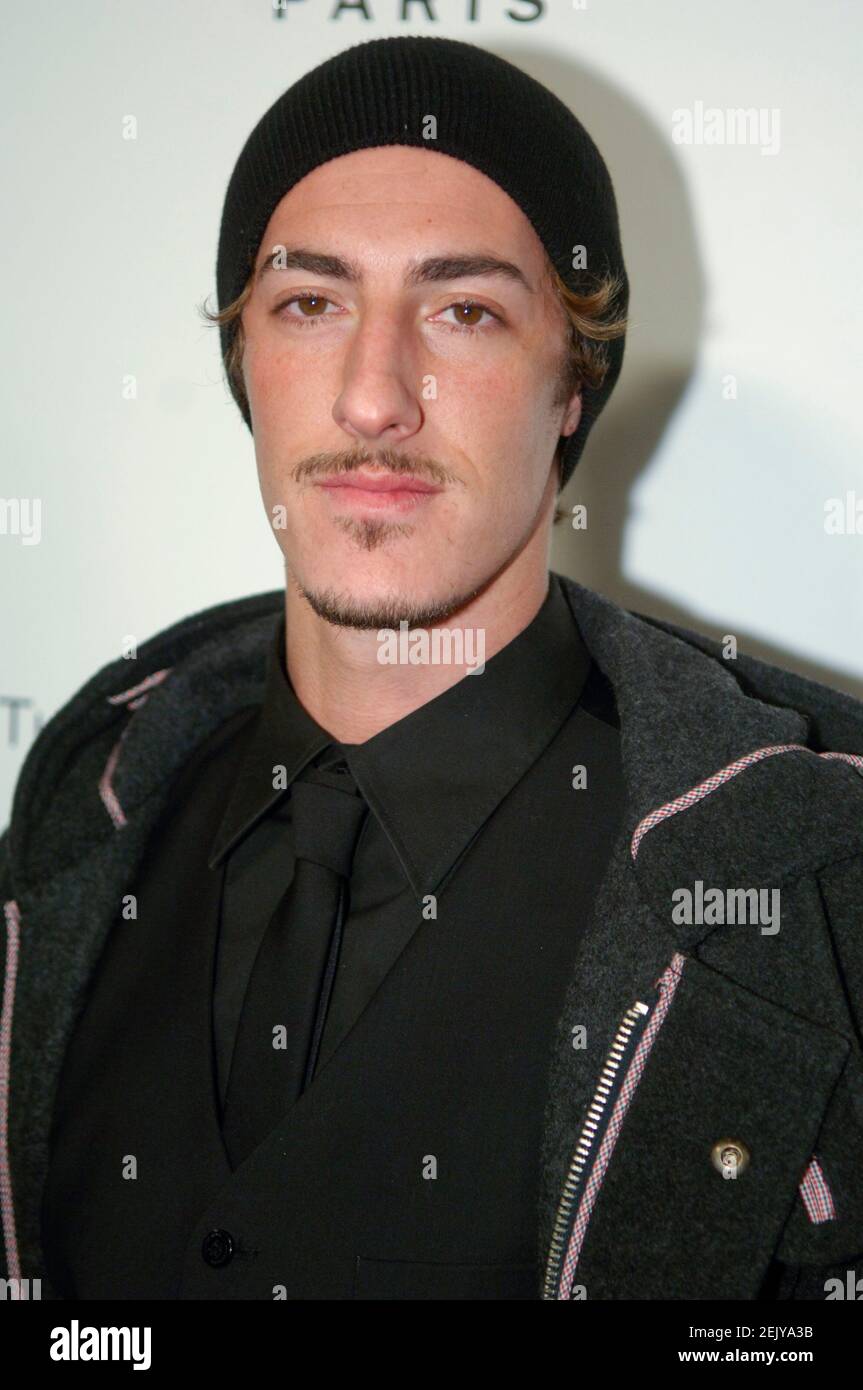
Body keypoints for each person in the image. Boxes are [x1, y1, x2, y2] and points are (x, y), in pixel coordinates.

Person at [2, 35, 862, 1302]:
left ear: (571, 379)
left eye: (463, 309)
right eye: (310, 302)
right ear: (245, 354)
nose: (372, 396)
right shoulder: (83, 809)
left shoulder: (819, 876)